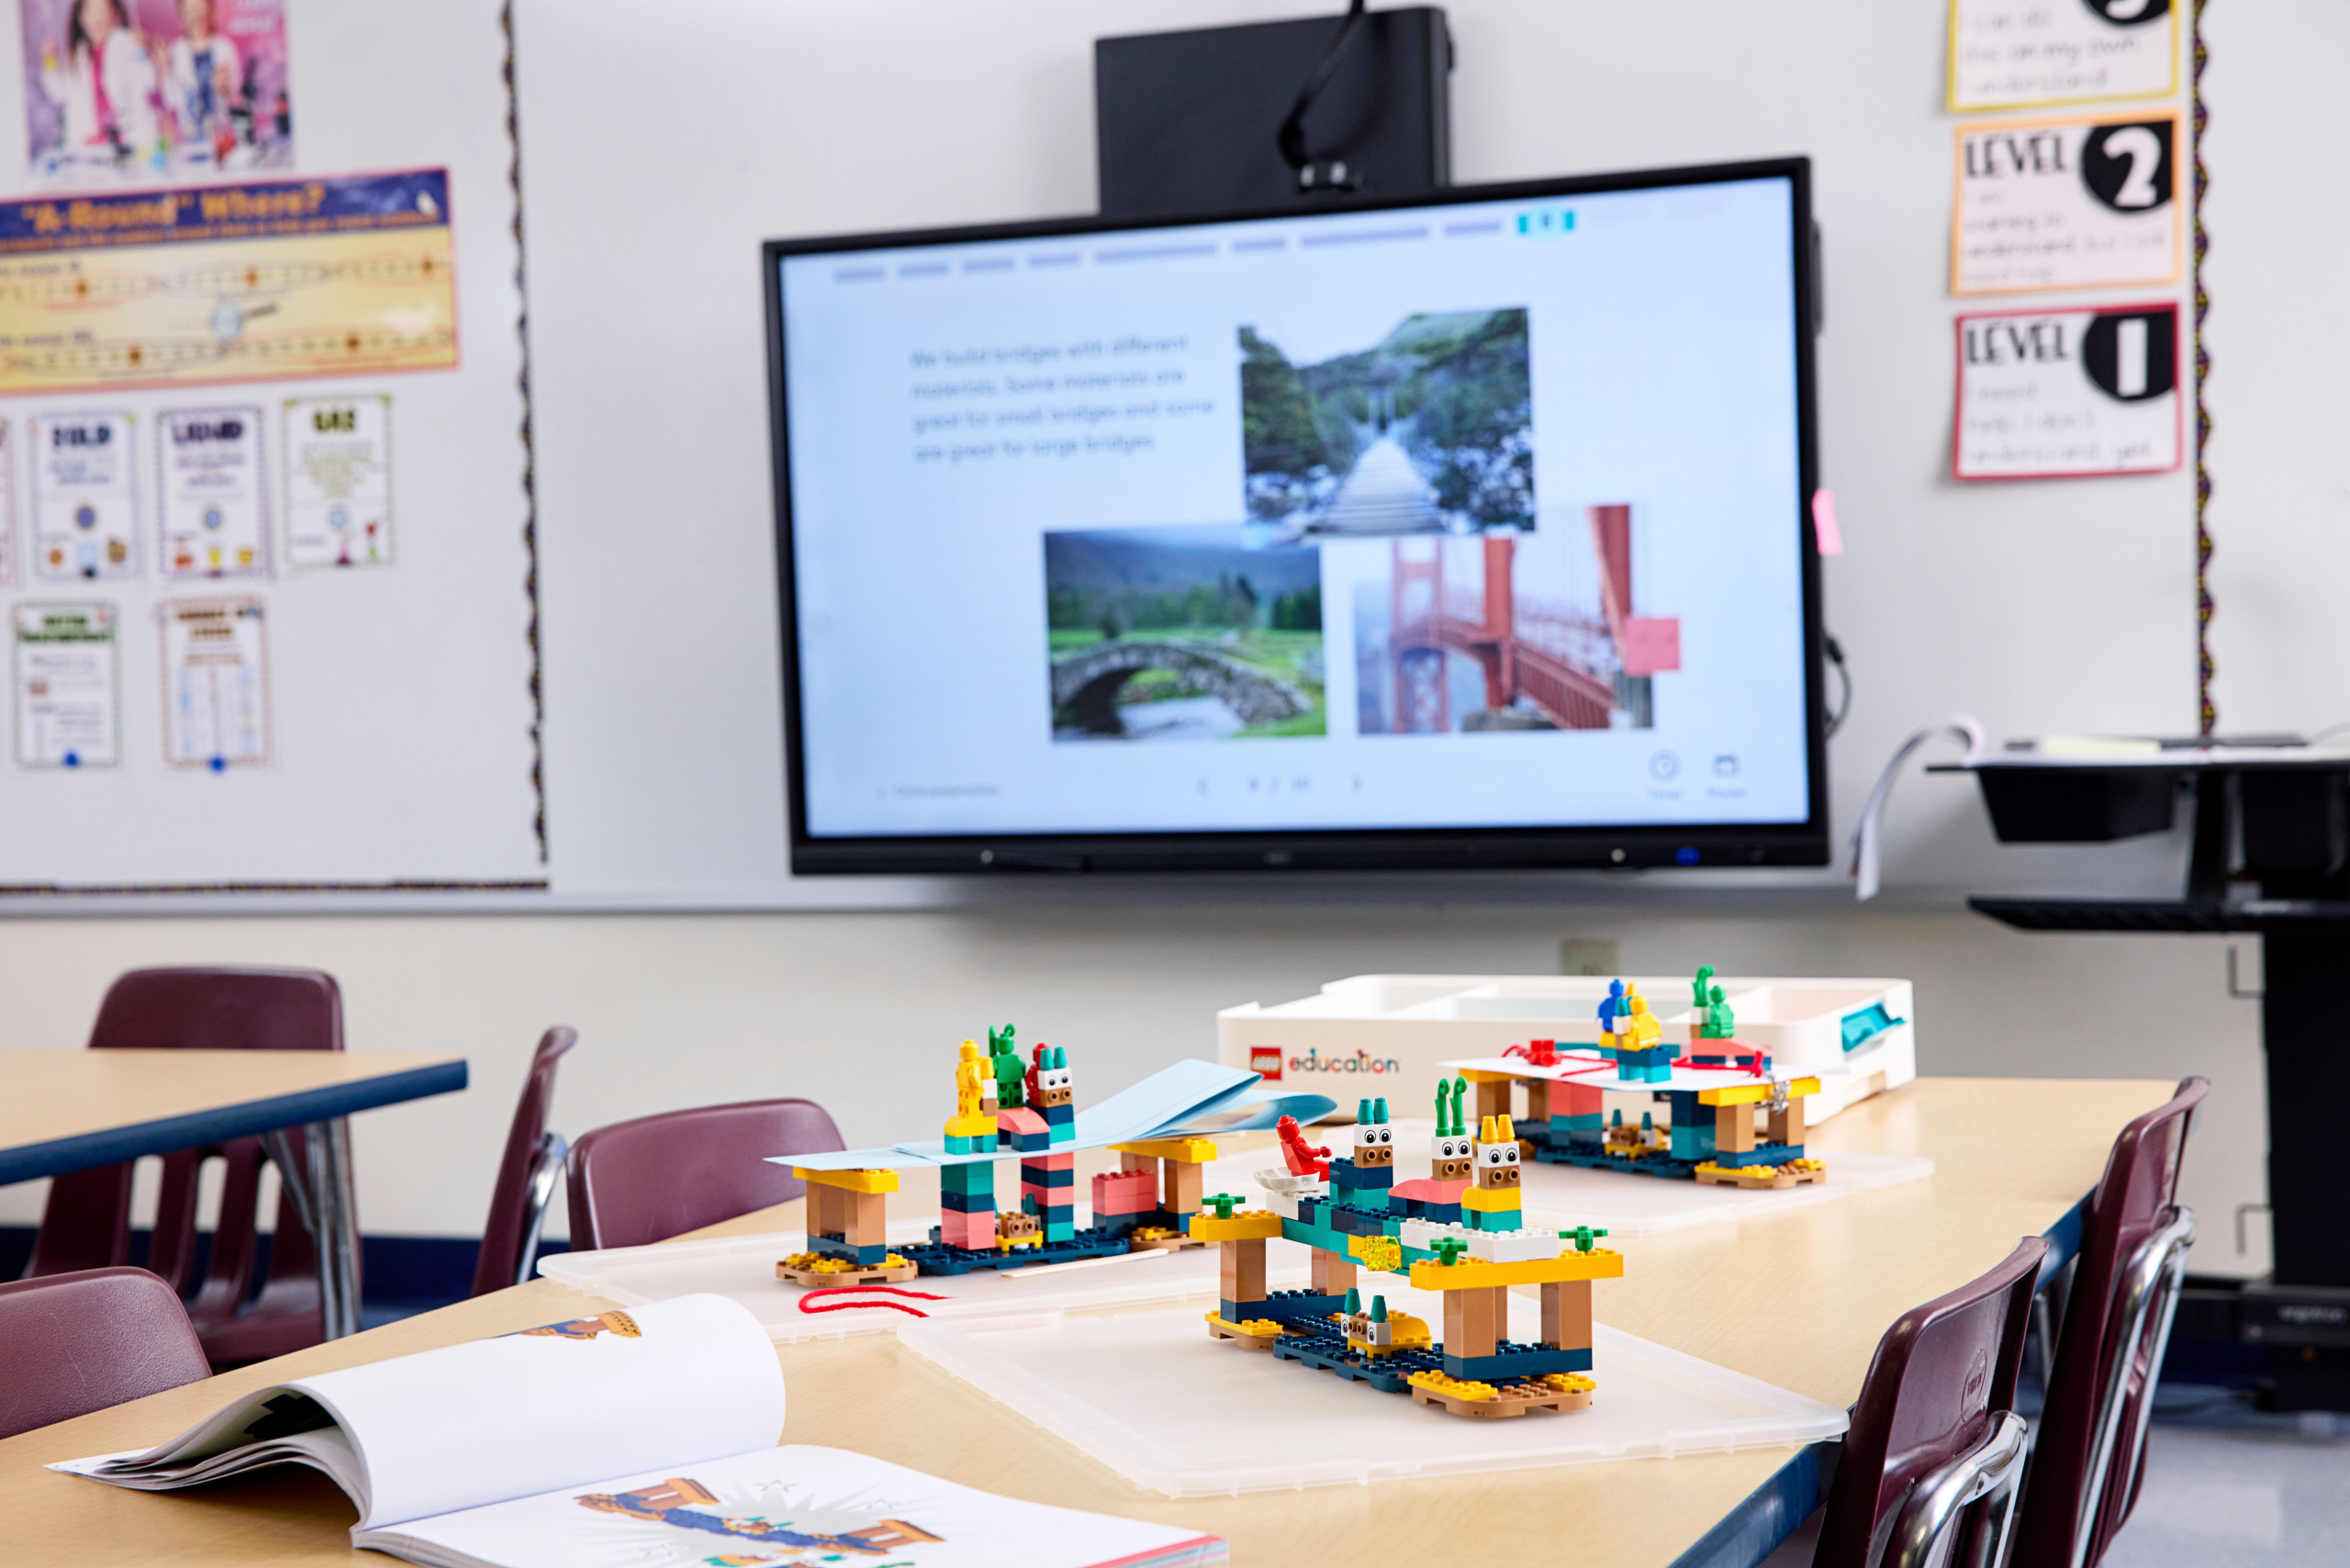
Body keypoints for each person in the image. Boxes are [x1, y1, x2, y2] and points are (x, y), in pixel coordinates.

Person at [39, 0, 162, 172]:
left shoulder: (127, 43)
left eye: (103, 11)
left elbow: (148, 81)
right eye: (91, 12)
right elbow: (58, 93)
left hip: (128, 143)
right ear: (81, 18)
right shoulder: (77, 55)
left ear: (114, 14)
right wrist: (50, 61)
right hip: (91, 149)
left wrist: (141, 51)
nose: (97, 19)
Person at [165, 0, 244, 162]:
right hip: (189, 140)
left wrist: (224, 89)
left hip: (222, 140)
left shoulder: (225, 48)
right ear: (182, 17)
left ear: (211, 12)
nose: (197, 15)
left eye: (201, 8)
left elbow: (237, 97)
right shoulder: (175, 51)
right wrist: (166, 72)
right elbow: (172, 102)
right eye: (190, 10)